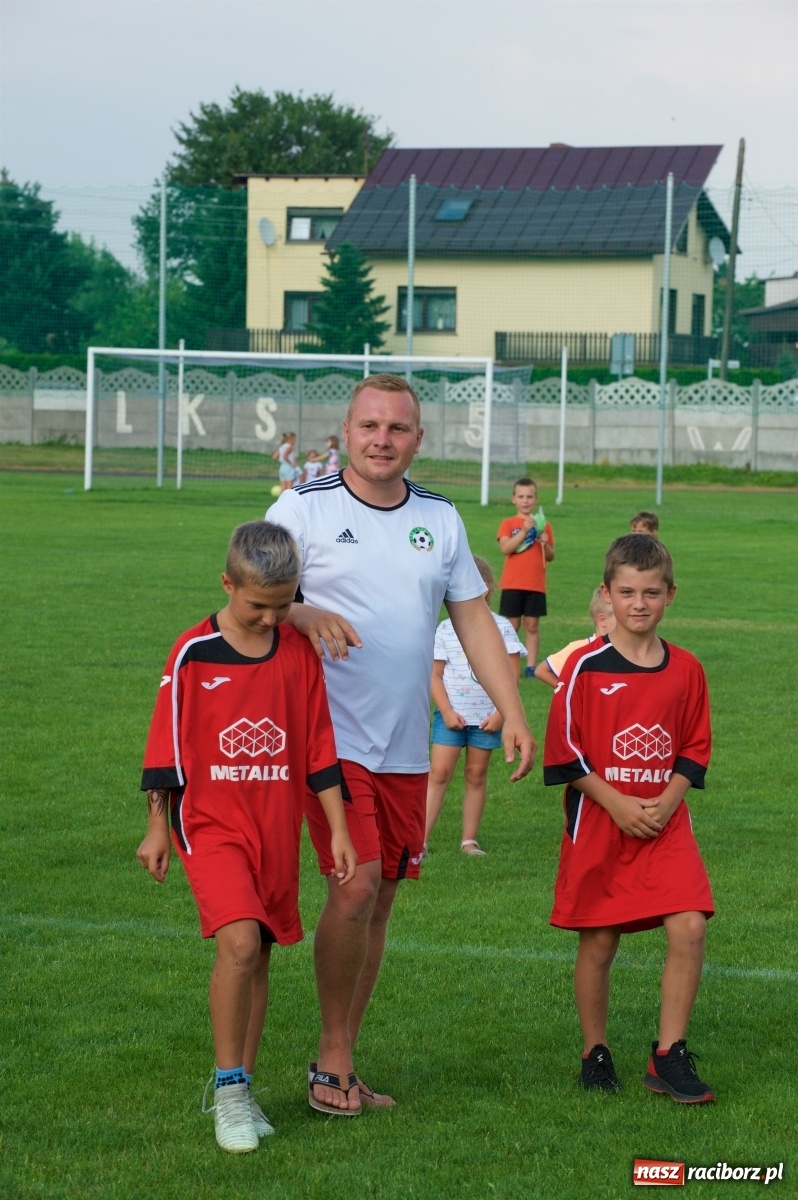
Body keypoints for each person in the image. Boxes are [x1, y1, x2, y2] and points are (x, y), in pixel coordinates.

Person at [266, 373, 536, 1114]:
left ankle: (343, 1059)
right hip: (327, 740)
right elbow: (251, 591)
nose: (382, 439)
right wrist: (302, 610)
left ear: (419, 438)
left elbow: (476, 623)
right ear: (346, 432)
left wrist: (512, 711)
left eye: (397, 428)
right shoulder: (302, 508)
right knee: (353, 886)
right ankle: (330, 1062)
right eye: (369, 426)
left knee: (379, 897)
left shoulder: (440, 519)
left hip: (405, 747)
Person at [136, 521, 357, 1151]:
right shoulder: (192, 653)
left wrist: (337, 829)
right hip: (209, 824)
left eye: (283, 605)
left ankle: (246, 1087)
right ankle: (229, 1093)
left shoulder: (295, 651)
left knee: (259, 950)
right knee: (236, 943)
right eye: (256, 604)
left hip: (274, 825)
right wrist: (157, 826)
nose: (269, 618)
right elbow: (165, 748)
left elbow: (318, 746)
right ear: (227, 584)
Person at [543, 534, 715, 1103]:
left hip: (665, 821)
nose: (638, 603)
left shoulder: (687, 668)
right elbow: (564, 754)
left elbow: (694, 746)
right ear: (607, 596)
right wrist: (616, 802)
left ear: (670, 595)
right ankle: (595, 1051)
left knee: (689, 925)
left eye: (651, 592)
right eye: (626, 592)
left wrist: (668, 800)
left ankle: (669, 1055)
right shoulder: (584, 668)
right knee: (599, 941)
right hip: (600, 822)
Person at [424, 555, 525, 856]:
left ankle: (469, 840)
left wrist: (500, 714)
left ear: (487, 589)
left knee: (476, 774)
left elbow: (511, 675)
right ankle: (420, 840)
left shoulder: (503, 628)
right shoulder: (444, 629)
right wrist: (446, 710)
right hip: (450, 716)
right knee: (439, 773)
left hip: (486, 720)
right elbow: (434, 675)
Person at [497, 478, 555, 676]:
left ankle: (530, 666)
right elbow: (506, 548)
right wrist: (523, 531)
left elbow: (550, 556)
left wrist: (545, 543)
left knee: (532, 626)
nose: (525, 500)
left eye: (529, 496)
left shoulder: (543, 524)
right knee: (511, 626)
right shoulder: (508, 523)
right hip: (512, 583)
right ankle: (507, 663)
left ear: (536, 499)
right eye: (521, 496)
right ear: (513, 499)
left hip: (535, 584)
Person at [534, 588, 616, 689]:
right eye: (620, 620)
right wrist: (570, 692)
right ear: (603, 620)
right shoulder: (579, 649)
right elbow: (542, 671)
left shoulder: (627, 649)